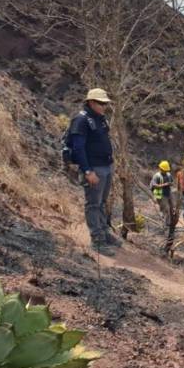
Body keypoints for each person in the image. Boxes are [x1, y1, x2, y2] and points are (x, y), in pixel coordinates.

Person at [68, 88, 121, 256]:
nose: (104, 106)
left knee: (102, 202)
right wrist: (87, 171)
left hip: (106, 166)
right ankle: (97, 240)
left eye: (105, 103)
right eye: (101, 103)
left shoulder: (100, 119)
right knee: (93, 203)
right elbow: (78, 148)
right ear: (91, 102)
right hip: (94, 168)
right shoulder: (81, 120)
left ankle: (104, 232)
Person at [150, 160, 174, 228]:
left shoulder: (169, 175)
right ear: (161, 169)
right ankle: (166, 224)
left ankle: (170, 222)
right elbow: (154, 185)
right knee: (166, 209)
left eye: (167, 170)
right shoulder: (157, 176)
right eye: (165, 170)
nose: (166, 171)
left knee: (172, 208)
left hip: (169, 193)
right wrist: (164, 184)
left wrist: (170, 184)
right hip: (161, 195)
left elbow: (172, 182)